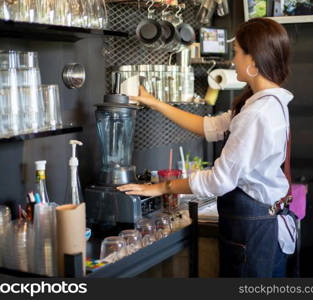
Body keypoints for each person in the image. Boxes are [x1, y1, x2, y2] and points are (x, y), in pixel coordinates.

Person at [117, 18, 297, 278]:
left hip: (253, 229)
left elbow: (218, 181)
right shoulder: (267, 103)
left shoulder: (257, 113)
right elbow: (208, 126)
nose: (233, 60)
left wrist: (159, 188)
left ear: (254, 62)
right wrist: (156, 103)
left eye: (237, 53)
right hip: (264, 222)